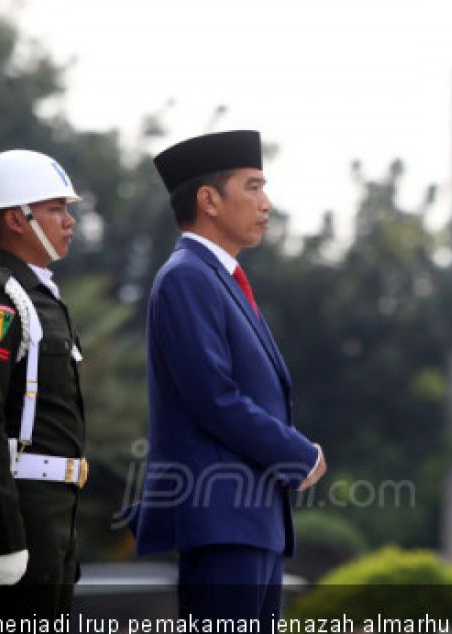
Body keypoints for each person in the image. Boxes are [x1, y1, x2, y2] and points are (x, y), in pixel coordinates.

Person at [134, 130, 327, 624]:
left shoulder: (221, 279)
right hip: (221, 521)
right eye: (253, 187)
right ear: (209, 200)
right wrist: (297, 453)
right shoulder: (187, 277)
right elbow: (213, 396)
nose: (266, 203)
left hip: (250, 521)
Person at [0, 150, 88, 622]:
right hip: (19, 509)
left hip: (50, 512)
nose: (69, 221)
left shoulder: (42, 299)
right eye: (55, 209)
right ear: (16, 218)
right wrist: (5, 537)